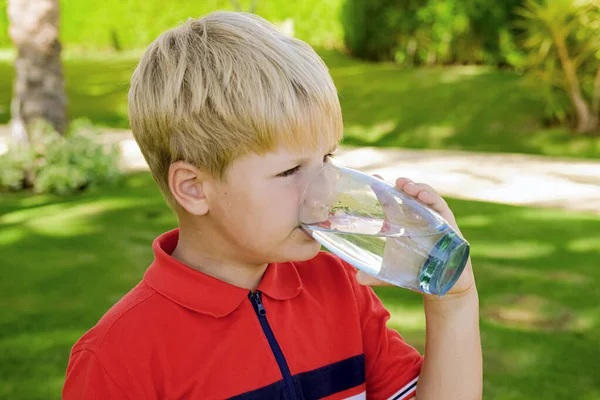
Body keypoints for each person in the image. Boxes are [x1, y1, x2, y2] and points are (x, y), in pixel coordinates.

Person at [63, 11, 482, 399]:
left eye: (327, 160)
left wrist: (454, 301)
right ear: (193, 188)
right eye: (290, 171)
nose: (324, 190)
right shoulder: (118, 360)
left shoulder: (337, 288)